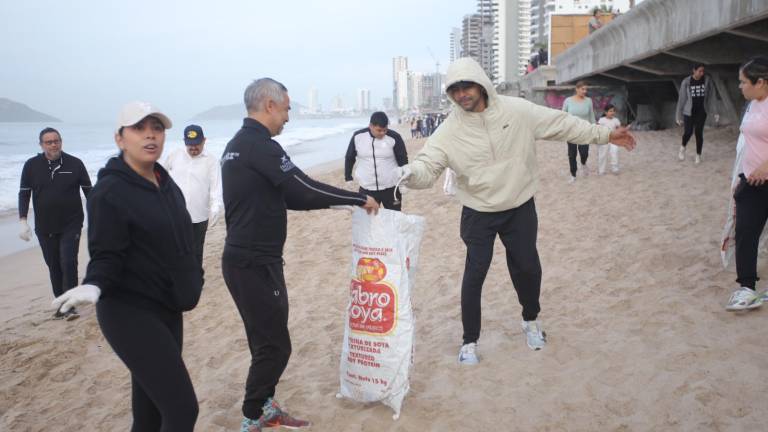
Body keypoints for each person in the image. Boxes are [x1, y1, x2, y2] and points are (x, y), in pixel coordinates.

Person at [394, 57, 635, 365]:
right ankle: (469, 341)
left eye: (466, 86)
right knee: (474, 275)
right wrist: (408, 175)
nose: (462, 94)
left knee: (527, 268)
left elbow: (560, 124)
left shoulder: (515, 110)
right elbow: (427, 166)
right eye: (454, 90)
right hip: (478, 211)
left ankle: (530, 320)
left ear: (480, 83)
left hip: (519, 205)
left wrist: (604, 134)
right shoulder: (448, 130)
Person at [220, 78, 379, 431]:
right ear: (270, 105)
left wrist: (339, 206)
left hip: (251, 260)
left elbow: (289, 197)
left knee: (267, 342)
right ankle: (253, 415)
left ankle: (262, 406)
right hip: (252, 262)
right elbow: (302, 188)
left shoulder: (239, 144)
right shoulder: (259, 146)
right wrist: (356, 198)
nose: (289, 117)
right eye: (288, 108)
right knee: (275, 346)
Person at [52, 101, 204, 430]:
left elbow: (182, 238)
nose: (150, 135)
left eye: (157, 128)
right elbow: (107, 253)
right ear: (120, 139)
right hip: (128, 311)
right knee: (182, 410)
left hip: (166, 307)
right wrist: (93, 283)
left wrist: (195, 275)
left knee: (149, 415)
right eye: (139, 129)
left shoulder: (164, 181)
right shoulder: (109, 192)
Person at [18, 127, 91, 320]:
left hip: (72, 223)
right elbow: (24, 193)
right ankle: (61, 304)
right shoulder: (31, 166)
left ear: (61, 141)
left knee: (68, 262)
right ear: (41, 145)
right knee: (54, 266)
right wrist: (22, 220)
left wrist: (100, 217)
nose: (53, 144)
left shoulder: (75, 164)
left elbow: (89, 193)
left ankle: (70, 306)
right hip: (45, 226)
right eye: (49, 142)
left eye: (56, 140)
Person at [726, 56, 768, 311]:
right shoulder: (752, 105)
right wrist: (739, 177)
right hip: (751, 182)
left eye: (743, 82)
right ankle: (747, 289)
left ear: (760, 82)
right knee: (745, 233)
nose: (740, 86)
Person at [163, 124, 223, 267]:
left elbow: (216, 188)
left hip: (199, 217)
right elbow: (159, 176)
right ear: (184, 142)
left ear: (204, 141)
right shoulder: (174, 155)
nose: (193, 148)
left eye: (197, 144)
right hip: (176, 215)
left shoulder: (211, 161)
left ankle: (195, 283)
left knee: (196, 253)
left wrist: (216, 208)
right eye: (190, 145)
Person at [344, 111, 408, 211]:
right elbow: (349, 157)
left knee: (394, 221)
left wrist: (403, 181)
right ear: (371, 126)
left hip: (391, 188)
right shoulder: (358, 137)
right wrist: (348, 178)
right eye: (379, 130)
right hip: (367, 189)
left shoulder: (395, 137)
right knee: (368, 222)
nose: (382, 133)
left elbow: (403, 160)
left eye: (385, 130)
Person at [676, 63, 720, 165]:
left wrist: (715, 112)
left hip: (701, 111)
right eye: (699, 71)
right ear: (694, 70)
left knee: (698, 133)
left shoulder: (707, 80)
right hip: (689, 112)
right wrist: (678, 115)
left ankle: (698, 155)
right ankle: (683, 148)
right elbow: (682, 99)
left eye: (703, 71)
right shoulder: (686, 82)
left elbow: (712, 96)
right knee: (688, 132)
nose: (702, 73)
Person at [562, 81, 596, 183]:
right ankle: (573, 174)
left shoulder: (588, 101)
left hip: (584, 130)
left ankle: (584, 163)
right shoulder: (568, 100)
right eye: (583, 89)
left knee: (584, 152)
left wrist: (593, 127)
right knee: (572, 154)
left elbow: (591, 115)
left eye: (586, 89)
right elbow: (563, 115)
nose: (585, 91)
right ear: (577, 89)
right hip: (571, 130)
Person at [597, 104, 622, 175]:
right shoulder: (602, 120)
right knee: (602, 155)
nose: (612, 113)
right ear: (605, 112)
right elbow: (598, 129)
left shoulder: (616, 120)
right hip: (603, 140)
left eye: (613, 111)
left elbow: (619, 129)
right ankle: (601, 170)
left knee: (614, 152)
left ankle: (615, 168)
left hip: (613, 140)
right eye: (610, 111)